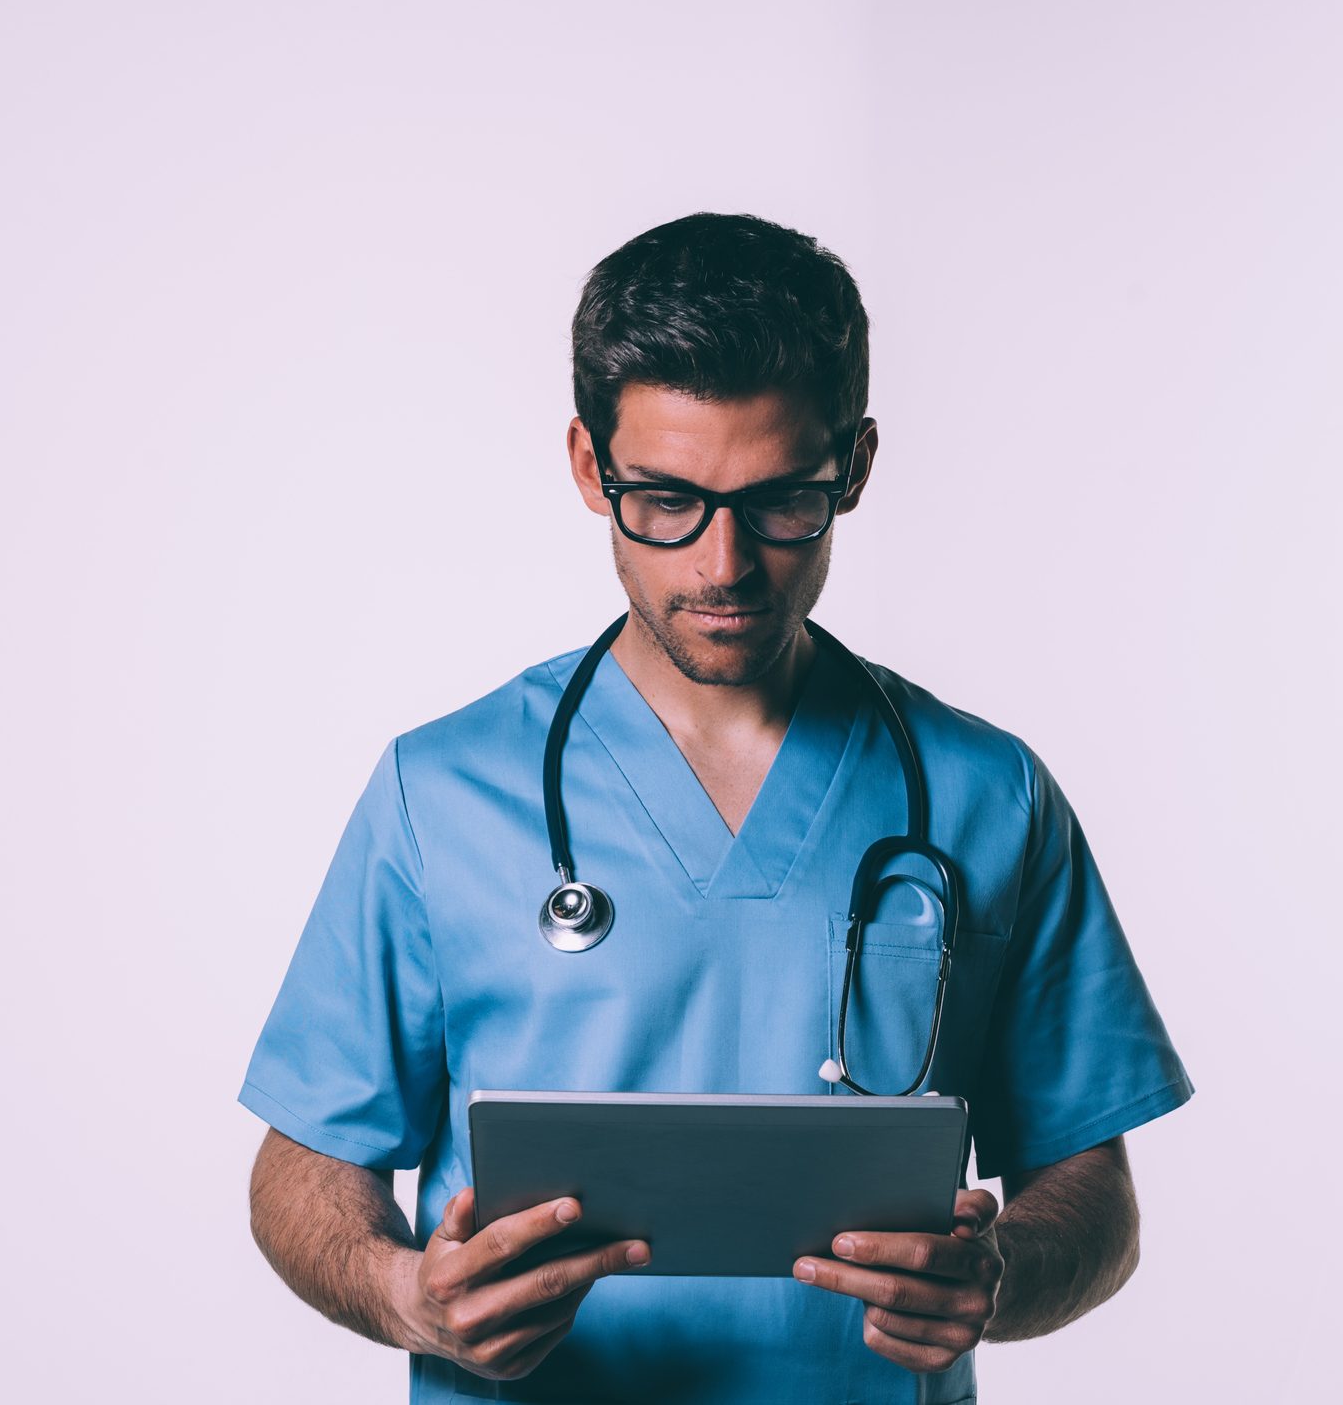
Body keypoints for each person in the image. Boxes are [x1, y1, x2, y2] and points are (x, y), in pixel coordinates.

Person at [237, 211, 1192, 1404]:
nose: (724, 562)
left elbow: (1090, 1190)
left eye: (782, 498)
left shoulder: (984, 791)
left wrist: (1000, 1272)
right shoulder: (441, 792)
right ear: (591, 468)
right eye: (668, 499)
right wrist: (403, 1293)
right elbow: (303, 1165)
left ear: (854, 463)